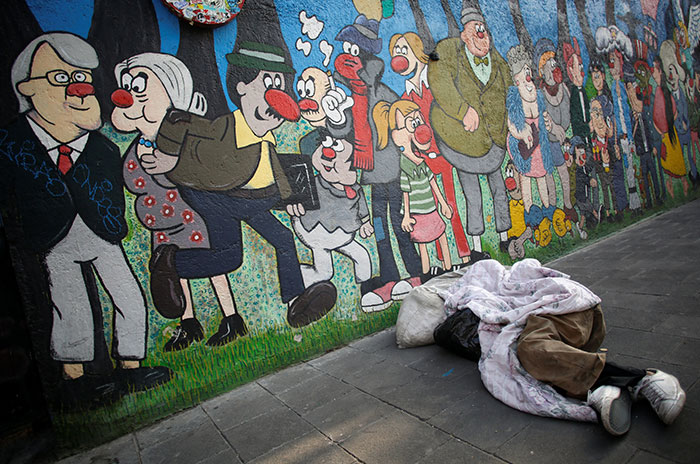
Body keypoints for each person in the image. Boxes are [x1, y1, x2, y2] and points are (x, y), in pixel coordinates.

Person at [0, 33, 171, 405]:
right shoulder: (13, 143)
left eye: (82, 78)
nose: (78, 89)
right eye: (61, 78)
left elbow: (111, 190)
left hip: (101, 233)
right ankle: (76, 378)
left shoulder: (102, 148)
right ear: (28, 87)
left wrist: (114, 226)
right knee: (70, 305)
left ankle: (131, 366)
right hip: (51, 238)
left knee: (128, 295)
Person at [153, 41, 337, 328]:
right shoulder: (225, 127)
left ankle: (295, 301)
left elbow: (272, 166)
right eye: (267, 83)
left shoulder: (265, 137)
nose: (277, 96)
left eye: (279, 84)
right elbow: (179, 120)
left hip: (254, 201)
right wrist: (168, 155)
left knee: (281, 241)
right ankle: (169, 263)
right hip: (220, 199)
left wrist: (290, 198)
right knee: (230, 258)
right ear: (241, 87)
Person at [111, 52, 248, 350]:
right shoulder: (138, 148)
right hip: (161, 224)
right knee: (172, 273)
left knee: (211, 266)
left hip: (191, 216)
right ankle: (188, 323)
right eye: (126, 87)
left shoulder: (181, 140)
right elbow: (133, 179)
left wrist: (164, 164)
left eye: (139, 88)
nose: (128, 97)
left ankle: (231, 318)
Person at [428, 0, 512, 259]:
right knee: (472, 194)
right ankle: (476, 247)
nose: (480, 34)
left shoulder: (497, 62)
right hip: (462, 142)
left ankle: (505, 238)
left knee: (499, 189)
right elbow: (439, 81)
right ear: (464, 35)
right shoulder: (450, 53)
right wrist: (463, 110)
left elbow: (512, 94)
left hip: (493, 141)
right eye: (474, 29)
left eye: (483, 29)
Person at [389, 31, 471, 266]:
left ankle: (463, 254)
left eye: (404, 50)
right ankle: (444, 259)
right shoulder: (404, 99)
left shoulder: (434, 87)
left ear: (417, 53)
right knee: (429, 212)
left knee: (450, 204)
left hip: (443, 156)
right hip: (422, 162)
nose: (399, 57)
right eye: (395, 53)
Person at [373, 100, 453, 278]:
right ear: (396, 135)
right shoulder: (404, 166)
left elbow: (432, 182)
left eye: (419, 121)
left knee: (441, 236)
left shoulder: (422, 162)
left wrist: (443, 204)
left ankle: (449, 268)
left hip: (432, 210)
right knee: (423, 245)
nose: (419, 128)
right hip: (418, 214)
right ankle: (425, 274)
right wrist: (407, 215)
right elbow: (405, 193)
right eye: (412, 123)